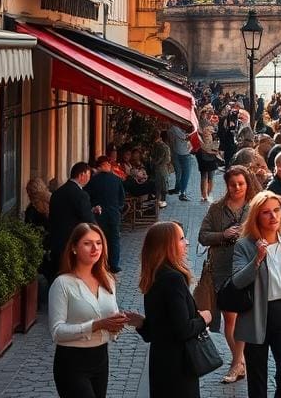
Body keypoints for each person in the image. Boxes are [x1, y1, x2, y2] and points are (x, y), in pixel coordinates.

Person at [230, 192, 281, 398]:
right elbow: (238, 281)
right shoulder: (244, 245)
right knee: (257, 381)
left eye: (276, 210)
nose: (273, 216)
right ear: (256, 217)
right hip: (255, 314)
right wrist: (257, 259)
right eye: (266, 213)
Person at [131, 221, 212, 398]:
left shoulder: (154, 276)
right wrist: (204, 319)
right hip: (179, 367)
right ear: (167, 245)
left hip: (161, 363)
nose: (186, 243)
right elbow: (183, 329)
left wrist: (141, 324)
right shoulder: (173, 279)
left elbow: (157, 332)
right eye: (181, 239)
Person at [197, 165, 260, 384]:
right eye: (233, 184)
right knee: (229, 318)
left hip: (247, 269)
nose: (237, 188)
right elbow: (203, 236)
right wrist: (223, 234)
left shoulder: (254, 208)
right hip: (222, 269)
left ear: (247, 184)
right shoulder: (216, 208)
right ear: (227, 185)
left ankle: (238, 363)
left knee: (240, 317)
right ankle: (239, 362)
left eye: (241, 184)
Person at [48, 223, 126, 398]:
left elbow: (110, 318)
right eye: (87, 243)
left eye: (99, 243)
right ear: (74, 248)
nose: (95, 248)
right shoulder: (62, 284)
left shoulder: (107, 279)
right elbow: (57, 332)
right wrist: (96, 325)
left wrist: (115, 326)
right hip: (72, 362)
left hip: (100, 359)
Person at [49, 162, 97, 278]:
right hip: (73, 243)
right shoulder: (81, 195)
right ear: (82, 175)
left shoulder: (57, 193)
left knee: (58, 277)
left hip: (56, 242)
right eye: (88, 176)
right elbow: (89, 220)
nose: (89, 179)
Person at [85, 156, 126, 273]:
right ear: (106, 165)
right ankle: (114, 264)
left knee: (99, 240)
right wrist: (118, 208)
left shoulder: (93, 181)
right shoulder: (116, 179)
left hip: (98, 214)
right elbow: (121, 198)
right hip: (113, 214)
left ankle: (100, 263)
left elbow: (87, 197)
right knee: (114, 239)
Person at [167, 123, 195, 201]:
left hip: (176, 152)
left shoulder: (173, 129)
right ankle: (182, 193)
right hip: (183, 153)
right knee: (186, 174)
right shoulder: (175, 128)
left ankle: (178, 189)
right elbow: (185, 137)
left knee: (179, 172)